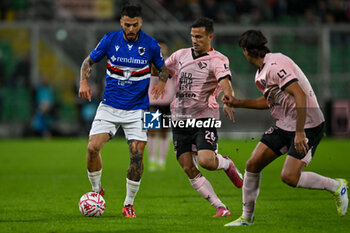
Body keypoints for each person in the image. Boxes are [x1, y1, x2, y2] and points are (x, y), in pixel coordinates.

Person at [223, 30, 348, 226]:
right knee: (252, 164)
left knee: (289, 177)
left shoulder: (276, 64)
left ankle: (336, 185)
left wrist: (299, 133)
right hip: (285, 124)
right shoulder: (261, 73)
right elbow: (268, 102)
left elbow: (299, 94)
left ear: (245, 51)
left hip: (308, 125)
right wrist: (237, 102)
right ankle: (247, 218)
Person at [78, 4, 168, 218]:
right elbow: (87, 62)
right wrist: (83, 81)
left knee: (137, 156)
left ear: (141, 23)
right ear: (121, 22)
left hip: (137, 109)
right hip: (109, 105)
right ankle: (96, 191)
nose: (130, 29)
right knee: (92, 148)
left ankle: (128, 204)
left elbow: (163, 68)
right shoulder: (110, 39)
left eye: (134, 25)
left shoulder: (151, 45)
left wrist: (162, 82)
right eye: (127, 25)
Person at [164, 17, 243, 217]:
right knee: (188, 167)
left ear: (210, 36)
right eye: (192, 36)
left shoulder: (217, 60)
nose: (195, 40)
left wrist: (228, 99)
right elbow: (164, 71)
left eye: (199, 36)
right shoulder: (180, 55)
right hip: (179, 118)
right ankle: (220, 207)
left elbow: (225, 81)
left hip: (204, 117)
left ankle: (226, 164)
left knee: (207, 161)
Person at [147, 41, 175, 171]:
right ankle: (152, 160)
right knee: (152, 132)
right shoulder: (149, 63)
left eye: (162, 46)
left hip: (167, 103)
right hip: (153, 102)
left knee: (164, 132)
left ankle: (161, 160)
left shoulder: (171, 63)